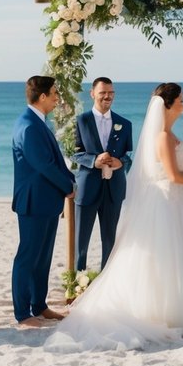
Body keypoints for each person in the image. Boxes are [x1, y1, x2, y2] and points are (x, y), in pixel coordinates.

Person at [46, 83, 183, 351]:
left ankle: (178, 306)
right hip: (164, 202)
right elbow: (174, 176)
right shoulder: (162, 136)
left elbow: (176, 165)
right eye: (181, 99)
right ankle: (161, 310)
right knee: (161, 258)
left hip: (176, 202)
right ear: (169, 105)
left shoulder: (170, 134)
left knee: (180, 258)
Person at [11, 76, 75, 328]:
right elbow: (43, 165)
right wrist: (69, 185)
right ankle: (22, 313)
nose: (58, 97)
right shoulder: (28, 126)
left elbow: (55, 161)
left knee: (43, 256)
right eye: (55, 93)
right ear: (43, 97)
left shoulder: (38, 123)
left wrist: (69, 179)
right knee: (28, 256)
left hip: (47, 200)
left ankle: (39, 305)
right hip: (34, 201)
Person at [70, 77, 133, 272]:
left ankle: (107, 282)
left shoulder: (125, 123)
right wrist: (93, 161)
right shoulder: (81, 121)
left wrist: (119, 162)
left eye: (111, 93)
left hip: (114, 189)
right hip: (88, 188)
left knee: (110, 241)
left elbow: (129, 156)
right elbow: (74, 151)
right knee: (81, 242)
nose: (107, 96)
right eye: (103, 92)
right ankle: (77, 283)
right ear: (92, 94)